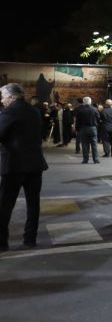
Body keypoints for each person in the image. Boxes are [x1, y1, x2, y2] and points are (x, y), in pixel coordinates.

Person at [0, 84, 49, 251]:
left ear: (12, 97)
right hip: (35, 163)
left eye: (3, 97)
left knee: (5, 204)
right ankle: (30, 239)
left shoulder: (9, 112)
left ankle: (2, 242)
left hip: (14, 164)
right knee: (33, 204)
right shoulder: (33, 110)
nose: (2, 100)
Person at [74, 96, 101, 164]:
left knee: (84, 145)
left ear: (83, 102)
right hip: (93, 128)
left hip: (83, 129)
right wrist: (96, 125)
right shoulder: (95, 109)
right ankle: (96, 159)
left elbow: (78, 121)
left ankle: (85, 159)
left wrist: (77, 129)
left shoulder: (81, 110)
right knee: (94, 144)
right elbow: (98, 119)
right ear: (90, 102)